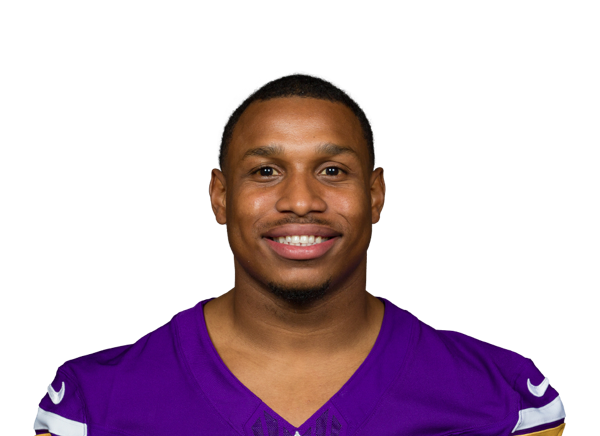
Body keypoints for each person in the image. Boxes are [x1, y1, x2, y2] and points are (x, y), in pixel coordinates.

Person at [33, 73, 566, 436]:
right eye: (266, 171)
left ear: (376, 194)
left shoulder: (509, 401)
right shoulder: (90, 405)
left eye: (332, 171)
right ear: (219, 196)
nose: (301, 201)